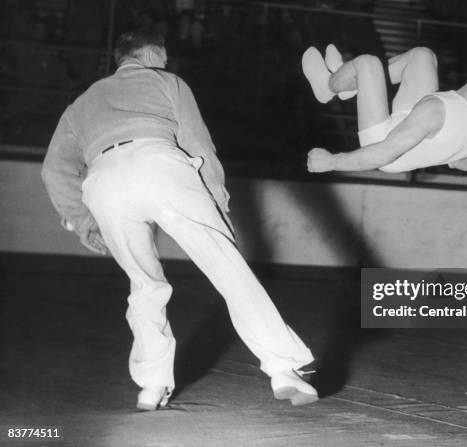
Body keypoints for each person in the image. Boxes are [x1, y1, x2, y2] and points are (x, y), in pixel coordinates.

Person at [41, 29, 318, 410]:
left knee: (144, 285)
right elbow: (198, 143)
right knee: (228, 269)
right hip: (159, 163)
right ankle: (284, 370)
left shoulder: (80, 104)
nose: (167, 62)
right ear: (152, 53)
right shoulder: (168, 82)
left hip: (103, 180)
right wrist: (217, 198)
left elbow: (54, 170)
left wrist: (84, 221)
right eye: (164, 56)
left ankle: (151, 386)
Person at [302, 44, 467, 173]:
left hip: (384, 146)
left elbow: (383, 154)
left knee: (368, 63)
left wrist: (331, 162)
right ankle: (351, 81)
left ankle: (328, 87)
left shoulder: (436, 110)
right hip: (416, 127)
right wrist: (449, 155)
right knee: (423, 56)